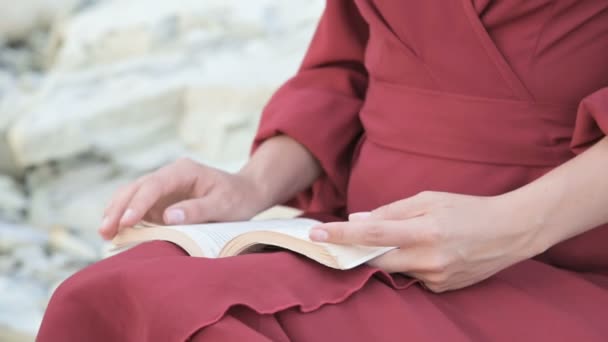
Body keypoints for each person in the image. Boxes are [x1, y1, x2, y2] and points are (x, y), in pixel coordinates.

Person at [38, 1, 608, 341]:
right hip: (351, 241)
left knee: (218, 327)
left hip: (558, 258)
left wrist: (510, 228)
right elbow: (350, 62)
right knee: (111, 297)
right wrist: (251, 185)